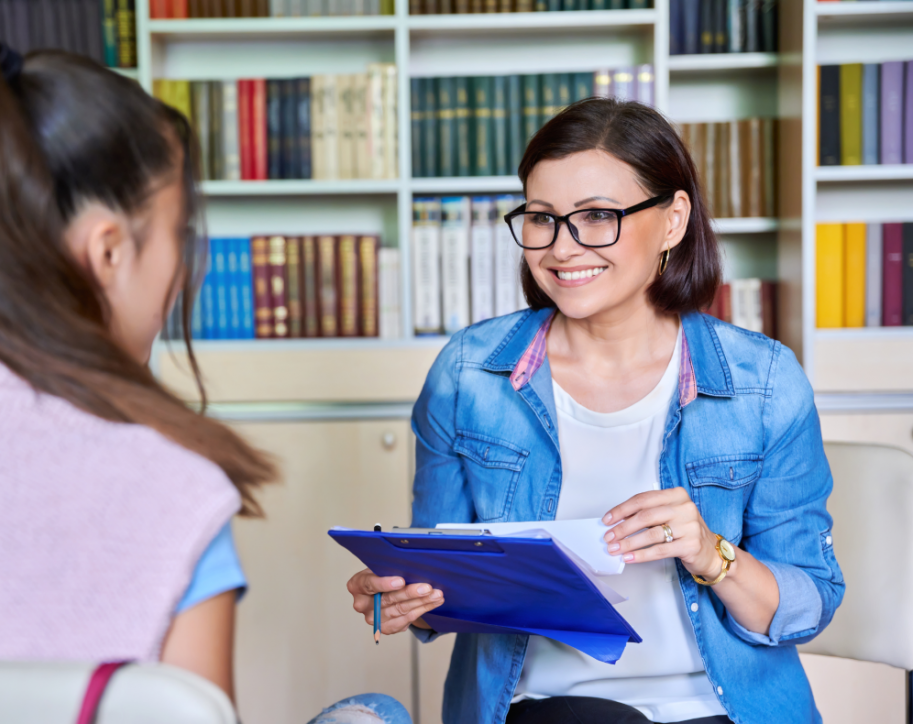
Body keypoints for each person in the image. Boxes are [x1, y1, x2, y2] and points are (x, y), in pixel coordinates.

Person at [0, 32, 410, 724]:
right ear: (109, 250)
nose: (182, 268)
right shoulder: (177, 483)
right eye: (178, 232)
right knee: (375, 714)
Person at [347, 98, 844, 724]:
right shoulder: (469, 375)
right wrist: (399, 596)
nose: (562, 247)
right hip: (548, 708)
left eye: (598, 216)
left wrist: (709, 553)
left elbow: (809, 604)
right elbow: (441, 574)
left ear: (673, 220)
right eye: (542, 218)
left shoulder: (765, 384)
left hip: (726, 708)